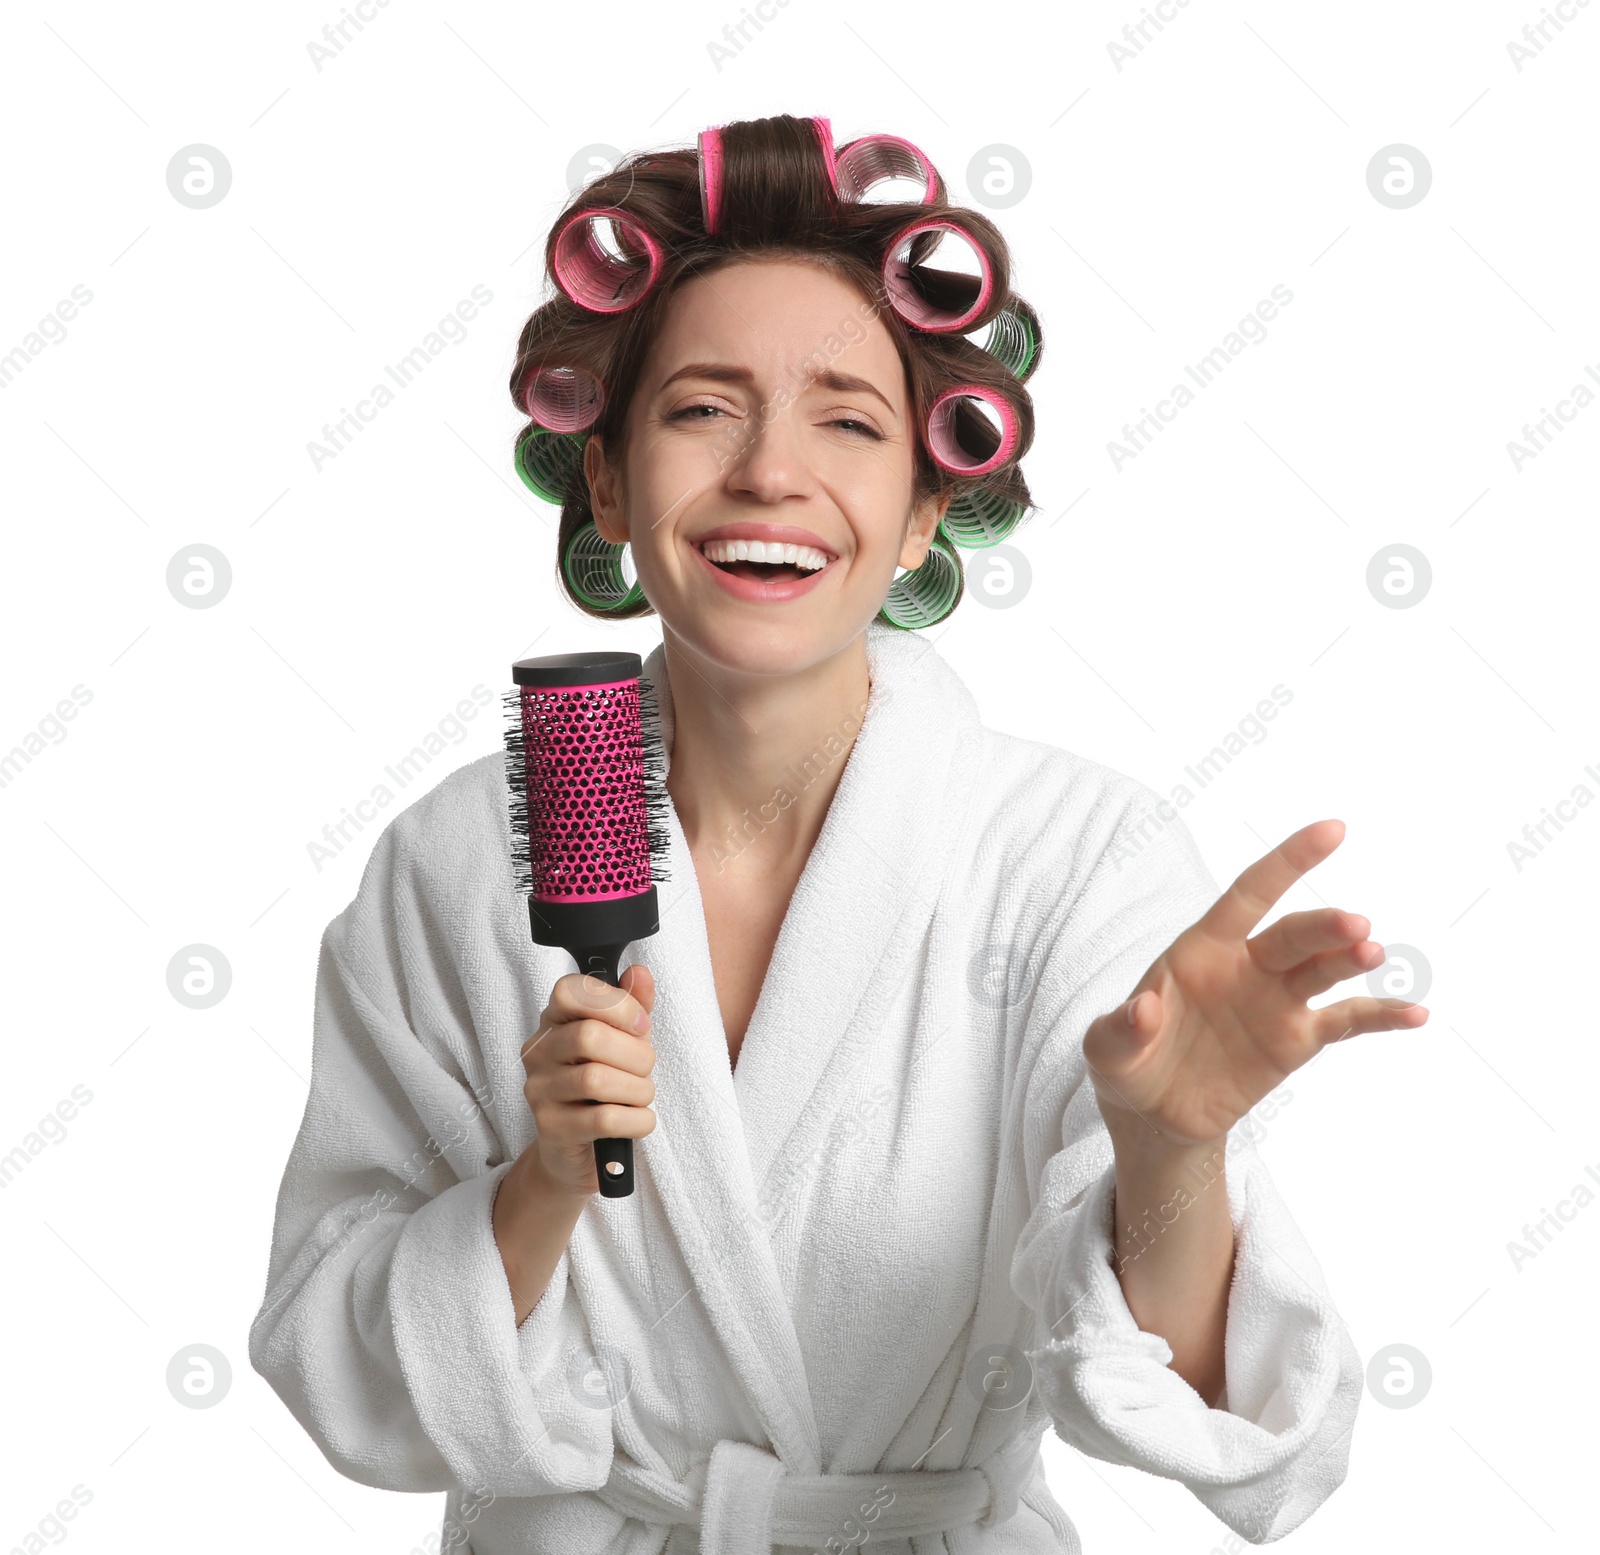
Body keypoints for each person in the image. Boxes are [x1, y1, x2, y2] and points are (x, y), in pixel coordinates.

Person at [249, 114, 1426, 1555]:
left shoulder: (1073, 860)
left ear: (930, 508)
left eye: (849, 422)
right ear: (606, 480)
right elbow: (331, 1353)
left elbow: (1205, 1412)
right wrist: (541, 1185)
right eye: (699, 409)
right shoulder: (459, 864)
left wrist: (1169, 1144)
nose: (769, 474)